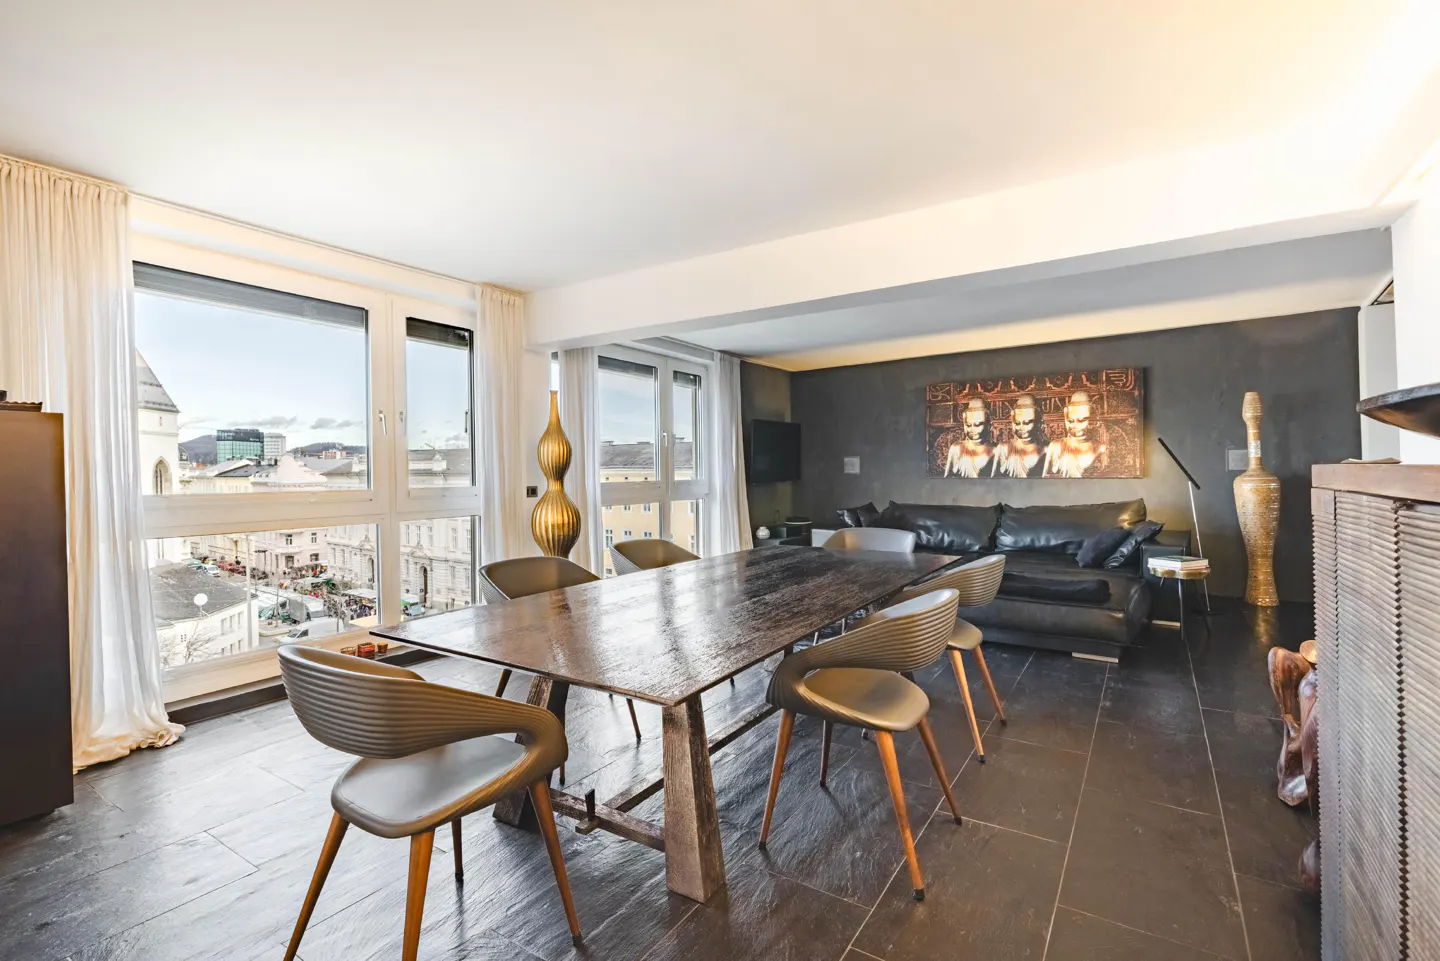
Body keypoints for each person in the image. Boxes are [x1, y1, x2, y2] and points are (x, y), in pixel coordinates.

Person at [1044, 390, 1107, 477]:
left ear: (1091, 420)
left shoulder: (1099, 447)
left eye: (1081, 420)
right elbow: (1046, 478)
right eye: (1070, 420)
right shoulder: (1056, 445)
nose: (1075, 425)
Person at [992, 394, 1044, 478]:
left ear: (1039, 423)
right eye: (1017, 423)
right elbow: (993, 481)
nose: (1021, 427)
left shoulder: (1048, 449)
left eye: (1027, 423)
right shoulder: (1004, 448)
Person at [944, 398, 993, 478]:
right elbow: (947, 481)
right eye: (968, 425)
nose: (972, 429)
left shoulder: (997, 450)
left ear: (989, 426)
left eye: (977, 425)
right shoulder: (956, 448)